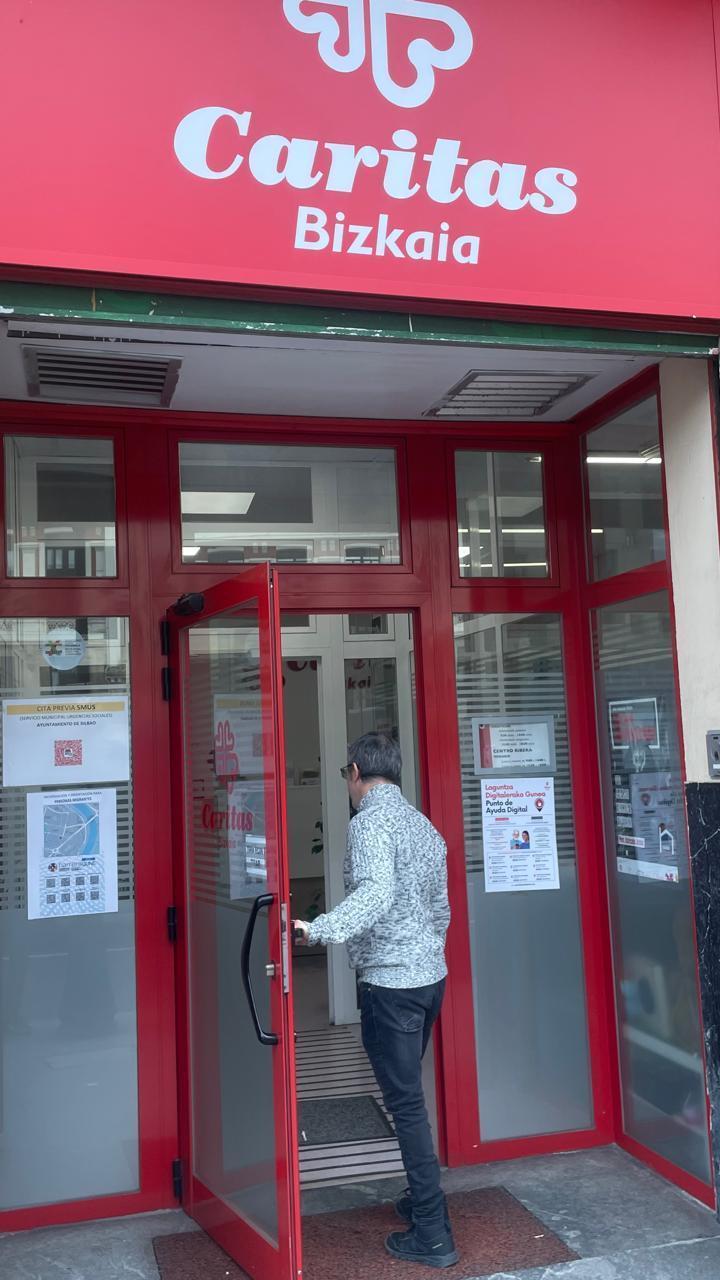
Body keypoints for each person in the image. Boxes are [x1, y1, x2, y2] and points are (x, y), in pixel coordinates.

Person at [294, 732, 457, 1270]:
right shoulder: (422, 825)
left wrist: (319, 930)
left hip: (390, 986)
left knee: (405, 1105)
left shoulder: (370, 823)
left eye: (347, 774)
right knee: (410, 1096)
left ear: (357, 771)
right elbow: (440, 907)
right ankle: (420, 1202)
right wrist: (428, 951)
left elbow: (374, 893)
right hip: (427, 979)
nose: (348, 782)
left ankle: (432, 1232)